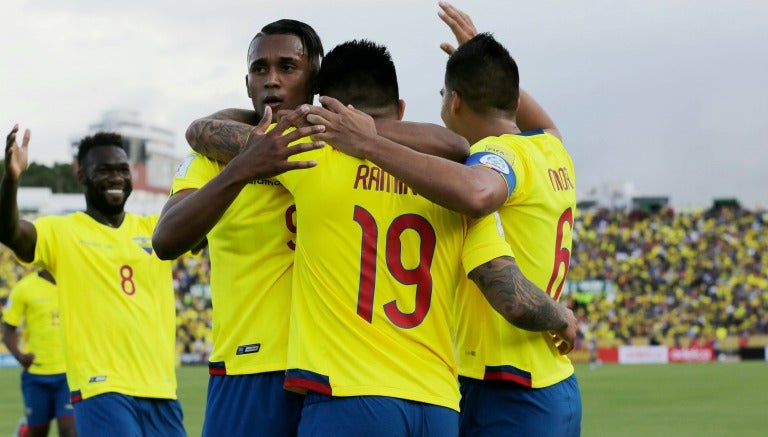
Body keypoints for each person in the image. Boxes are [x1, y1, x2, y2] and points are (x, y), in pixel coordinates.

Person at [156, 19, 469, 436]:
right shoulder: (216, 156)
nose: (271, 80)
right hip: (252, 366)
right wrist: (241, 167)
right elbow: (166, 240)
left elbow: (453, 144)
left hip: (334, 376)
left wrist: (353, 132)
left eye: (287, 67)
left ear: (316, 77)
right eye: (259, 69)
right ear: (246, 81)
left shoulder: (345, 150)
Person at [302, 3, 582, 435]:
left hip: (504, 382)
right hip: (554, 380)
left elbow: (477, 192)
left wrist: (369, 141)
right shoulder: (553, 148)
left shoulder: (495, 157)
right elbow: (526, 113)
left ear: (455, 101)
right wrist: (480, 53)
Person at [1, 128, 185, 437]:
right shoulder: (62, 231)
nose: (115, 178)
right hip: (100, 387)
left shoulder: (157, 229)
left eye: (122, 170)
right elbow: (10, 233)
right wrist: (12, 179)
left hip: (162, 390)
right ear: (81, 176)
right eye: (104, 170)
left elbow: (211, 223)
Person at [2, 269, 76, 437]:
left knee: (70, 431)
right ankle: (24, 431)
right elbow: (8, 330)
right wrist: (20, 356)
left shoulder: (75, 283)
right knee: (38, 433)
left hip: (69, 376)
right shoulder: (24, 288)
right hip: (36, 375)